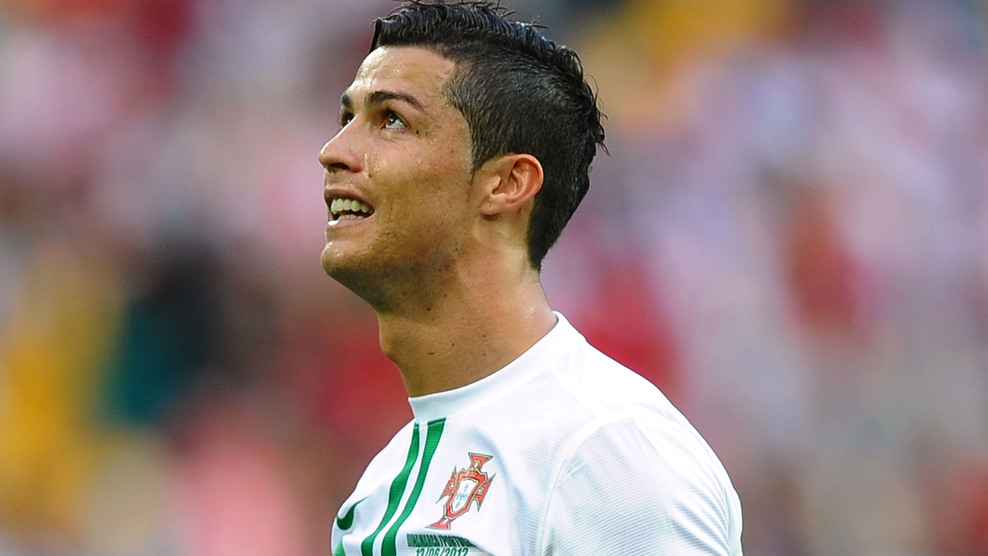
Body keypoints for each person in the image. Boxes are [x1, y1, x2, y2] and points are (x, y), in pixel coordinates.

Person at [317, 1, 743, 554]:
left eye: (391, 120)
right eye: (346, 120)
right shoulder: (378, 489)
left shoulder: (606, 455)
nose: (334, 153)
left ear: (506, 184)